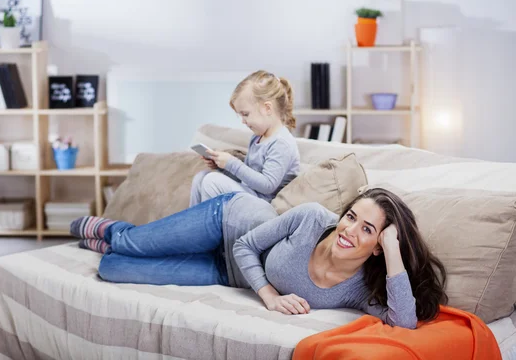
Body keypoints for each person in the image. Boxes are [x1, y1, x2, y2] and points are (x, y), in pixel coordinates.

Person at [70, 188, 447, 329]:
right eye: (351, 217)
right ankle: (114, 231)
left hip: (226, 274)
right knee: (130, 247)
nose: (350, 231)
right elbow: (244, 246)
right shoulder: (313, 218)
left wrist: (395, 248)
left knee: (112, 267)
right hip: (226, 223)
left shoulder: (359, 289)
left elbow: (405, 322)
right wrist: (269, 295)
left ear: (379, 244)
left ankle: (115, 244)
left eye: (368, 230)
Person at [189, 70, 300, 207]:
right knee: (200, 178)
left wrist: (231, 163)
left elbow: (268, 185)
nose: (242, 121)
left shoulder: (281, 142)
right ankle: (193, 224)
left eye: (245, 114)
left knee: (211, 181)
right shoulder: (257, 138)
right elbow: (247, 178)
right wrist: (222, 166)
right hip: (250, 196)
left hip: (264, 205)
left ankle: (208, 226)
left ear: (267, 108)